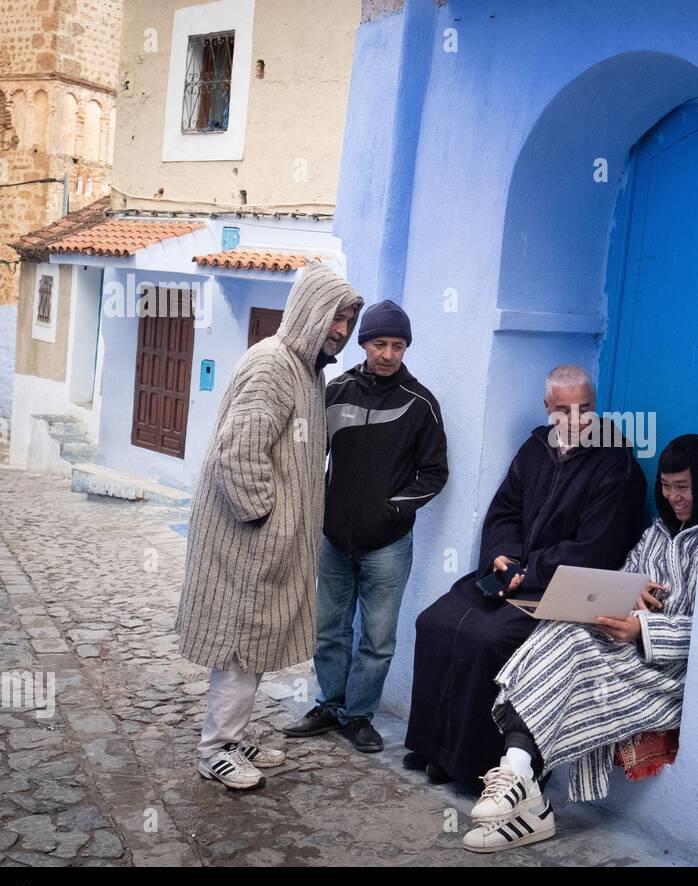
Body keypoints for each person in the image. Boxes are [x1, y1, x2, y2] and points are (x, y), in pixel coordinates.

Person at [461, 434, 698, 852]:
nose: (673, 497)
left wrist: (641, 631)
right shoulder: (656, 534)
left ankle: (524, 794)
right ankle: (520, 779)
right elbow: (627, 576)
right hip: (624, 652)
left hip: (660, 673)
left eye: (682, 487)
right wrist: (628, 593)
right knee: (561, 627)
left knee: (573, 650)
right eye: (666, 487)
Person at [403, 365, 647, 785]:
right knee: (435, 621)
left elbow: (597, 547)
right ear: (547, 408)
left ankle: (476, 765)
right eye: (564, 411)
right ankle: (436, 748)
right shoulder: (536, 447)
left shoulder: (615, 462)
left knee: (489, 639)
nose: (575, 421)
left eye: (585, 409)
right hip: (514, 575)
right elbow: (505, 511)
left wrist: (532, 569)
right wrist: (503, 557)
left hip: (565, 588)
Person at [176, 264, 363, 790]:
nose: (342, 332)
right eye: (336, 319)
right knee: (239, 642)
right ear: (309, 312)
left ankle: (232, 735)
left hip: (266, 543)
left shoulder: (306, 371)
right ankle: (215, 749)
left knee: (253, 642)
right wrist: (266, 517)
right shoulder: (274, 366)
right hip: (248, 540)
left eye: (349, 321)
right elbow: (237, 452)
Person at [282, 299, 448, 752]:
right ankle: (330, 706)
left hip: (388, 545)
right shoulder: (336, 392)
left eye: (398, 345)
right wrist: (316, 506)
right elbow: (310, 453)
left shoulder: (421, 404)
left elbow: (434, 473)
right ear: (365, 344)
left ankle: (359, 716)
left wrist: (393, 509)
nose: (389, 353)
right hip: (334, 539)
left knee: (377, 639)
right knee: (329, 630)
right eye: (380, 343)